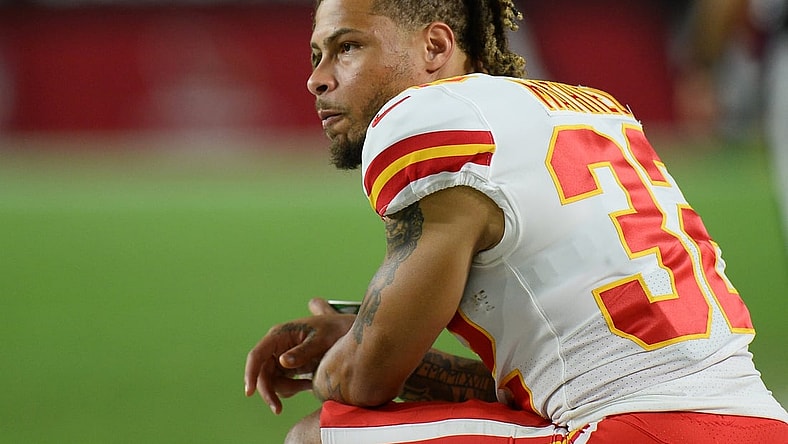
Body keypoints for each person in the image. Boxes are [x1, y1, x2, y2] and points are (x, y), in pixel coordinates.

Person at [244, 0, 788, 442]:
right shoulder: (592, 108)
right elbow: (542, 384)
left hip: (629, 428)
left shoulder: (420, 119)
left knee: (319, 437)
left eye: (347, 48)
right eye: (316, 54)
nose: (317, 79)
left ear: (434, 47)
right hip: (755, 422)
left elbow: (361, 379)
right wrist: (365, 340)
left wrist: (340, 354)